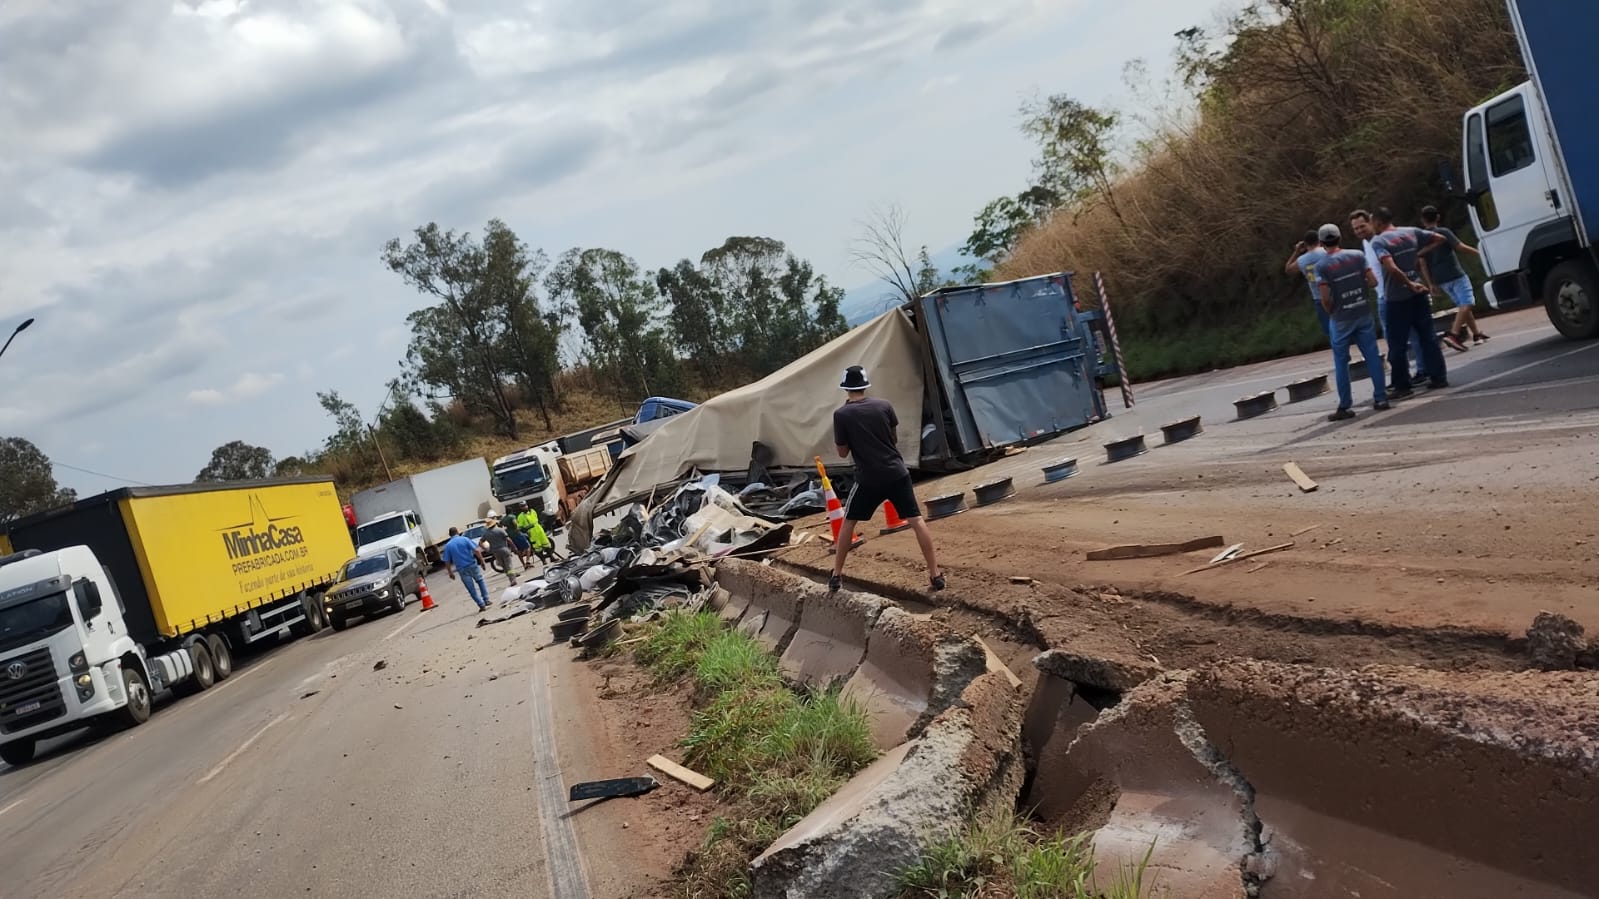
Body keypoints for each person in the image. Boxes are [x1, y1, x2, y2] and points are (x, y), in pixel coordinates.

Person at [829, 365, 943, 593]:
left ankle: (836, 575)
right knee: (916, 520)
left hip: (868, 478)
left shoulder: (841, 415)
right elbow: (893, 437)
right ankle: (935, 574)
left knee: (848, 522)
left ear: (846, 389)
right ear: (865, 385)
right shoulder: (884, 406)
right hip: (896, 472)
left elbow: (842, 452)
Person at [1365, 207, 1450, 397]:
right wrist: (1419, 254)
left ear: (1378, 222)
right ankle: (1439, 377)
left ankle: (1402, 386)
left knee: (1397, 344)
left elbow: (1391, 268)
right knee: (1428, 337)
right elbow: (1440, 239)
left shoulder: (1379, 241)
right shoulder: (1411, 232)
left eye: (1371, 222)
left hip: (1397, 298)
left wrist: (1408, 283)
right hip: (1419, 294)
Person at [1311, 224, 1389, 421]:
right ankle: (1381, 398)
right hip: (1362, 311)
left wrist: (1332, 312)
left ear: (1321, 243)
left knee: (1341, 362)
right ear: (1340, 238)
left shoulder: (1322, 266)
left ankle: (1345, 406)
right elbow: (1373, 282)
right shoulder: (1357, 256)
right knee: (1372, 355)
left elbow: (1325, 298)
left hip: (1340, 318)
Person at [1350, 209, 1430, 382]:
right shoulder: (1366, 244)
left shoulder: (1380, 241)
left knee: (1407, 338)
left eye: (1362, 226)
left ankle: (1421, 371)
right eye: (1355, 229)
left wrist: (1410, 281)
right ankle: (1406, 375)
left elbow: (1396, 265)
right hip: (1383, 296)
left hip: (1395, 295)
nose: (1359, 231)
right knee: (1394, 340)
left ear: (1371, 222)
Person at [1419, 205, 1490, 346]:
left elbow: (1422, 263)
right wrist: (1479, 252)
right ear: (1438, 217)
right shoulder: (1443, 232)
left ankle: (1476, 334)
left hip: (1440, 279)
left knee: (1462, 305)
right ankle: (1454, 334)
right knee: (1467, 303)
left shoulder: (1422, 238)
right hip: (1454, 273)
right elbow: (1460, 247)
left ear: (1422, 220)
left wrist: (1430, 283)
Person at [1285, 229, 1331, 336]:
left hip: (1318, 298)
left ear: (1305, 244)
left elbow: (1288, 269)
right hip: (1334, 291)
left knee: (1329, 329)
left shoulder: (1302, 260)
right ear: (1319, 240)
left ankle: (1340, 351)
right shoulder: (1325, 252)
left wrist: (1296, 251)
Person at [440, 526, 491, 611]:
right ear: (457, 532)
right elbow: (477, 550)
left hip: (462, 569)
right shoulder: (464, 539)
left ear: (450, 535)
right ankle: (486, 599)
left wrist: (450, 572)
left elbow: (447, 561)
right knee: (480, 581)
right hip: (472, 564)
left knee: (471, 589)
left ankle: (481, 604)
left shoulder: (448, 545)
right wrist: (482, 561)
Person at [481, 518, 519, 586]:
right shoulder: (500, 530)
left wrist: (486, 549)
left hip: (495, 552)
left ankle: (511, 577)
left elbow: (480, 542)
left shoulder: (486, 533)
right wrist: (514, 547)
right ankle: (513, 579)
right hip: (504, 549)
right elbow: (508, 539)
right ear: (494, 524)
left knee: (503, 566)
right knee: (509, 565)